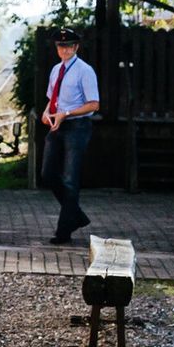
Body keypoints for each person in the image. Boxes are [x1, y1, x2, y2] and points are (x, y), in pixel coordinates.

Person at [41, 27, 100, 244]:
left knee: (69, 179)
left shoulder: (85, 71)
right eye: (60, 46)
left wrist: (67, 113)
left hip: (77, 127)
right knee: (48, 174)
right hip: (58, 125)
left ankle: (63, 232)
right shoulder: (56, 70)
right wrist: (47, 112)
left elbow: (94, 104)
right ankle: (76, 216)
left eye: (68, 46)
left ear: (76, 47)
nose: (64, 50)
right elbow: (52, 99)